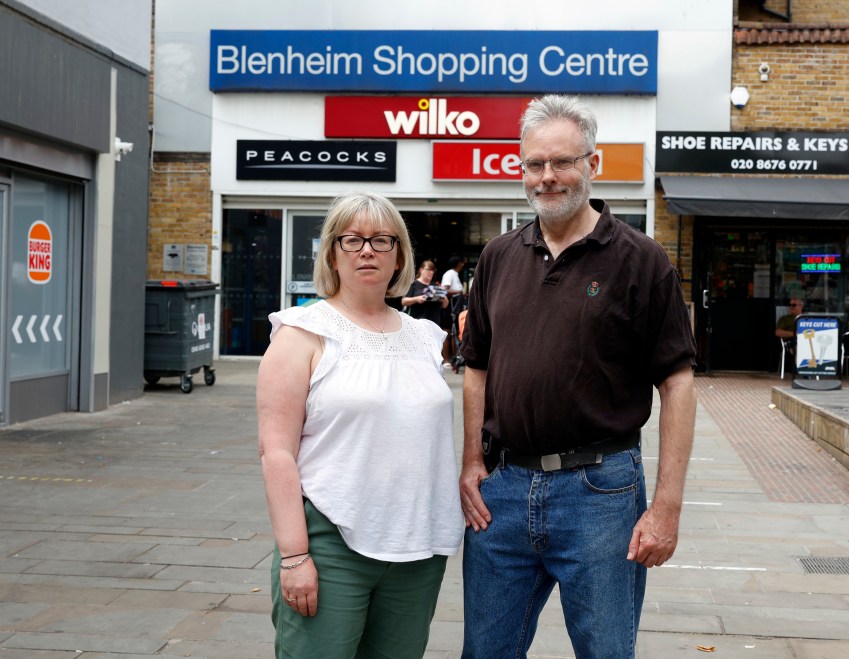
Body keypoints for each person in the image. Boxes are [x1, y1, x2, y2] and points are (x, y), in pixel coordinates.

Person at [458, 95, 698, 658]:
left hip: (600, 493)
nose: (547, 177)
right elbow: (476, 370)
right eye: (534, 164)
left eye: (562, 162)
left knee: (606, 651)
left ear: (594, 164)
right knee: (485, 651)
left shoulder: (641, 260)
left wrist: (666, 507)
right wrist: (472, 462)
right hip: (504, 491)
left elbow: (678, 385)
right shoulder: (497, 257)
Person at [257, 192, 462, 659]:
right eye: (352, 239)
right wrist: (294, 557)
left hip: (417, 550)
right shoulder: (302, 334)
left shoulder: (427, 339)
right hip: (331, 545)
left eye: (380, 240)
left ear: (399, 256)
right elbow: (276, 453)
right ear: (333, 253)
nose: (366, 250)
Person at [402, 259, 449, 328]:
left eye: (432, 270)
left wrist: (444, 299)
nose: (430, 272)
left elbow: (444, 306)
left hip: (434, 323)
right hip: (418, 322)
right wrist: (416, 299)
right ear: (421, 270)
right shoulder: (414, 284)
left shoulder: (435, 285)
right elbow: (404, 301)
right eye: (428, 270)